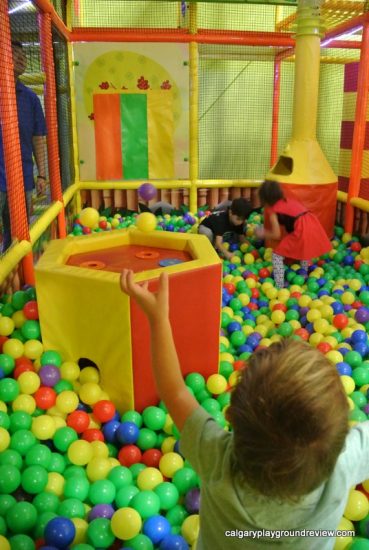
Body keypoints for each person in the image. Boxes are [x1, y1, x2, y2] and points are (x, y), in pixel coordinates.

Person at [120, 269, 369, 549]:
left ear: (228, 416)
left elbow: (174, 390)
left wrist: (158, 319)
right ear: (341, 437)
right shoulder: (341, 468)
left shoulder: (215, 458)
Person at [0, 41, 47, 252]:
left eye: (23, 55)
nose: (20, 58)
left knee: (18, 233)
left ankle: (12, 279)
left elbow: (38, 137)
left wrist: (42, 175)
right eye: (14, 54)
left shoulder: (30, 98)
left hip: (22, 177)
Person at [255, 180, 331, 288]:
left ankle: (279, 285)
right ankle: (303, 273)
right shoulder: (287, 200)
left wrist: (263, 233)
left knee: (276, 256)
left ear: (264, 199)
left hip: (302, 228)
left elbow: (276, 234)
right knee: (304, 247)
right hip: (312, 223)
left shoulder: (272, 209)